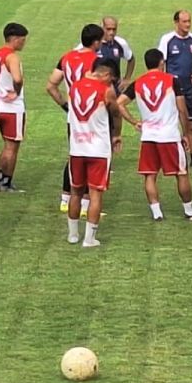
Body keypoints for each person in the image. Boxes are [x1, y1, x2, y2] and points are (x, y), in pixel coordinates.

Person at [117, 49, 192, 221]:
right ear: (161, 62)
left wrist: (134, 122)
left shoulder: (138, 83)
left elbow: (119, 103)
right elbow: (182, 109)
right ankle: (190, 211)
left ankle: (157, 213)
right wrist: (186, 133)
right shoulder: (172, 81)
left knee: (150, 175)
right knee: (181, 173)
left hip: (149, 136)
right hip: (169, 136)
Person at [66, 58, 123, 248]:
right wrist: (117, 135)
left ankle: (73, 234)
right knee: (95, 193)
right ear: (106, 74)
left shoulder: (74, 87)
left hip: (77, 147)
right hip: (98, 149)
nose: (112, 83)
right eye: (111, 79)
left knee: (75, 192)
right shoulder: (106, 91)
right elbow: (116, 113)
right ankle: (89, 238)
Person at [48, 24, 103, 211]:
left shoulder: (66, 57)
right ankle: (86, 204)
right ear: (96, 42)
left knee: (75, 155)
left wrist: (66, 106)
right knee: (92, 157)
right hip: (93, 115)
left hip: (73, 116)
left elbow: (51, 85)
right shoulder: (97, 61)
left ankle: (66, 200)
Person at [158, 10, 192, 167]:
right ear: (176, 22)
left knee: (191, 123)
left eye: (189, 21)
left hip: (190, 88)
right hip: (172, 89)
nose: (188, 24)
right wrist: (164, 81)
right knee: (170, 122)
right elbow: (161, 62)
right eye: (184, 21)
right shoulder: (167, 40)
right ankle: (169, 155)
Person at [0, 22, 28, 192]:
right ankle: (6, 182)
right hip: (12, 108)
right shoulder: (12, 57)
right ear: (14, 38)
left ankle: (0, 178)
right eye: (22, 39)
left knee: (6, 145)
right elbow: (17, 79)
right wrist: (16, 91)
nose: (24, 43)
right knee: (12, 147)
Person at [99, 16, 136, 90]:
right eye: (108, 29)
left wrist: (127, 79)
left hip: (115, 87)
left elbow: (131, 59)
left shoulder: (120, 43)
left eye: (114, 29)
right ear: (101, 28)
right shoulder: (92, 43)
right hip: (97, 86)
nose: (111, 33)